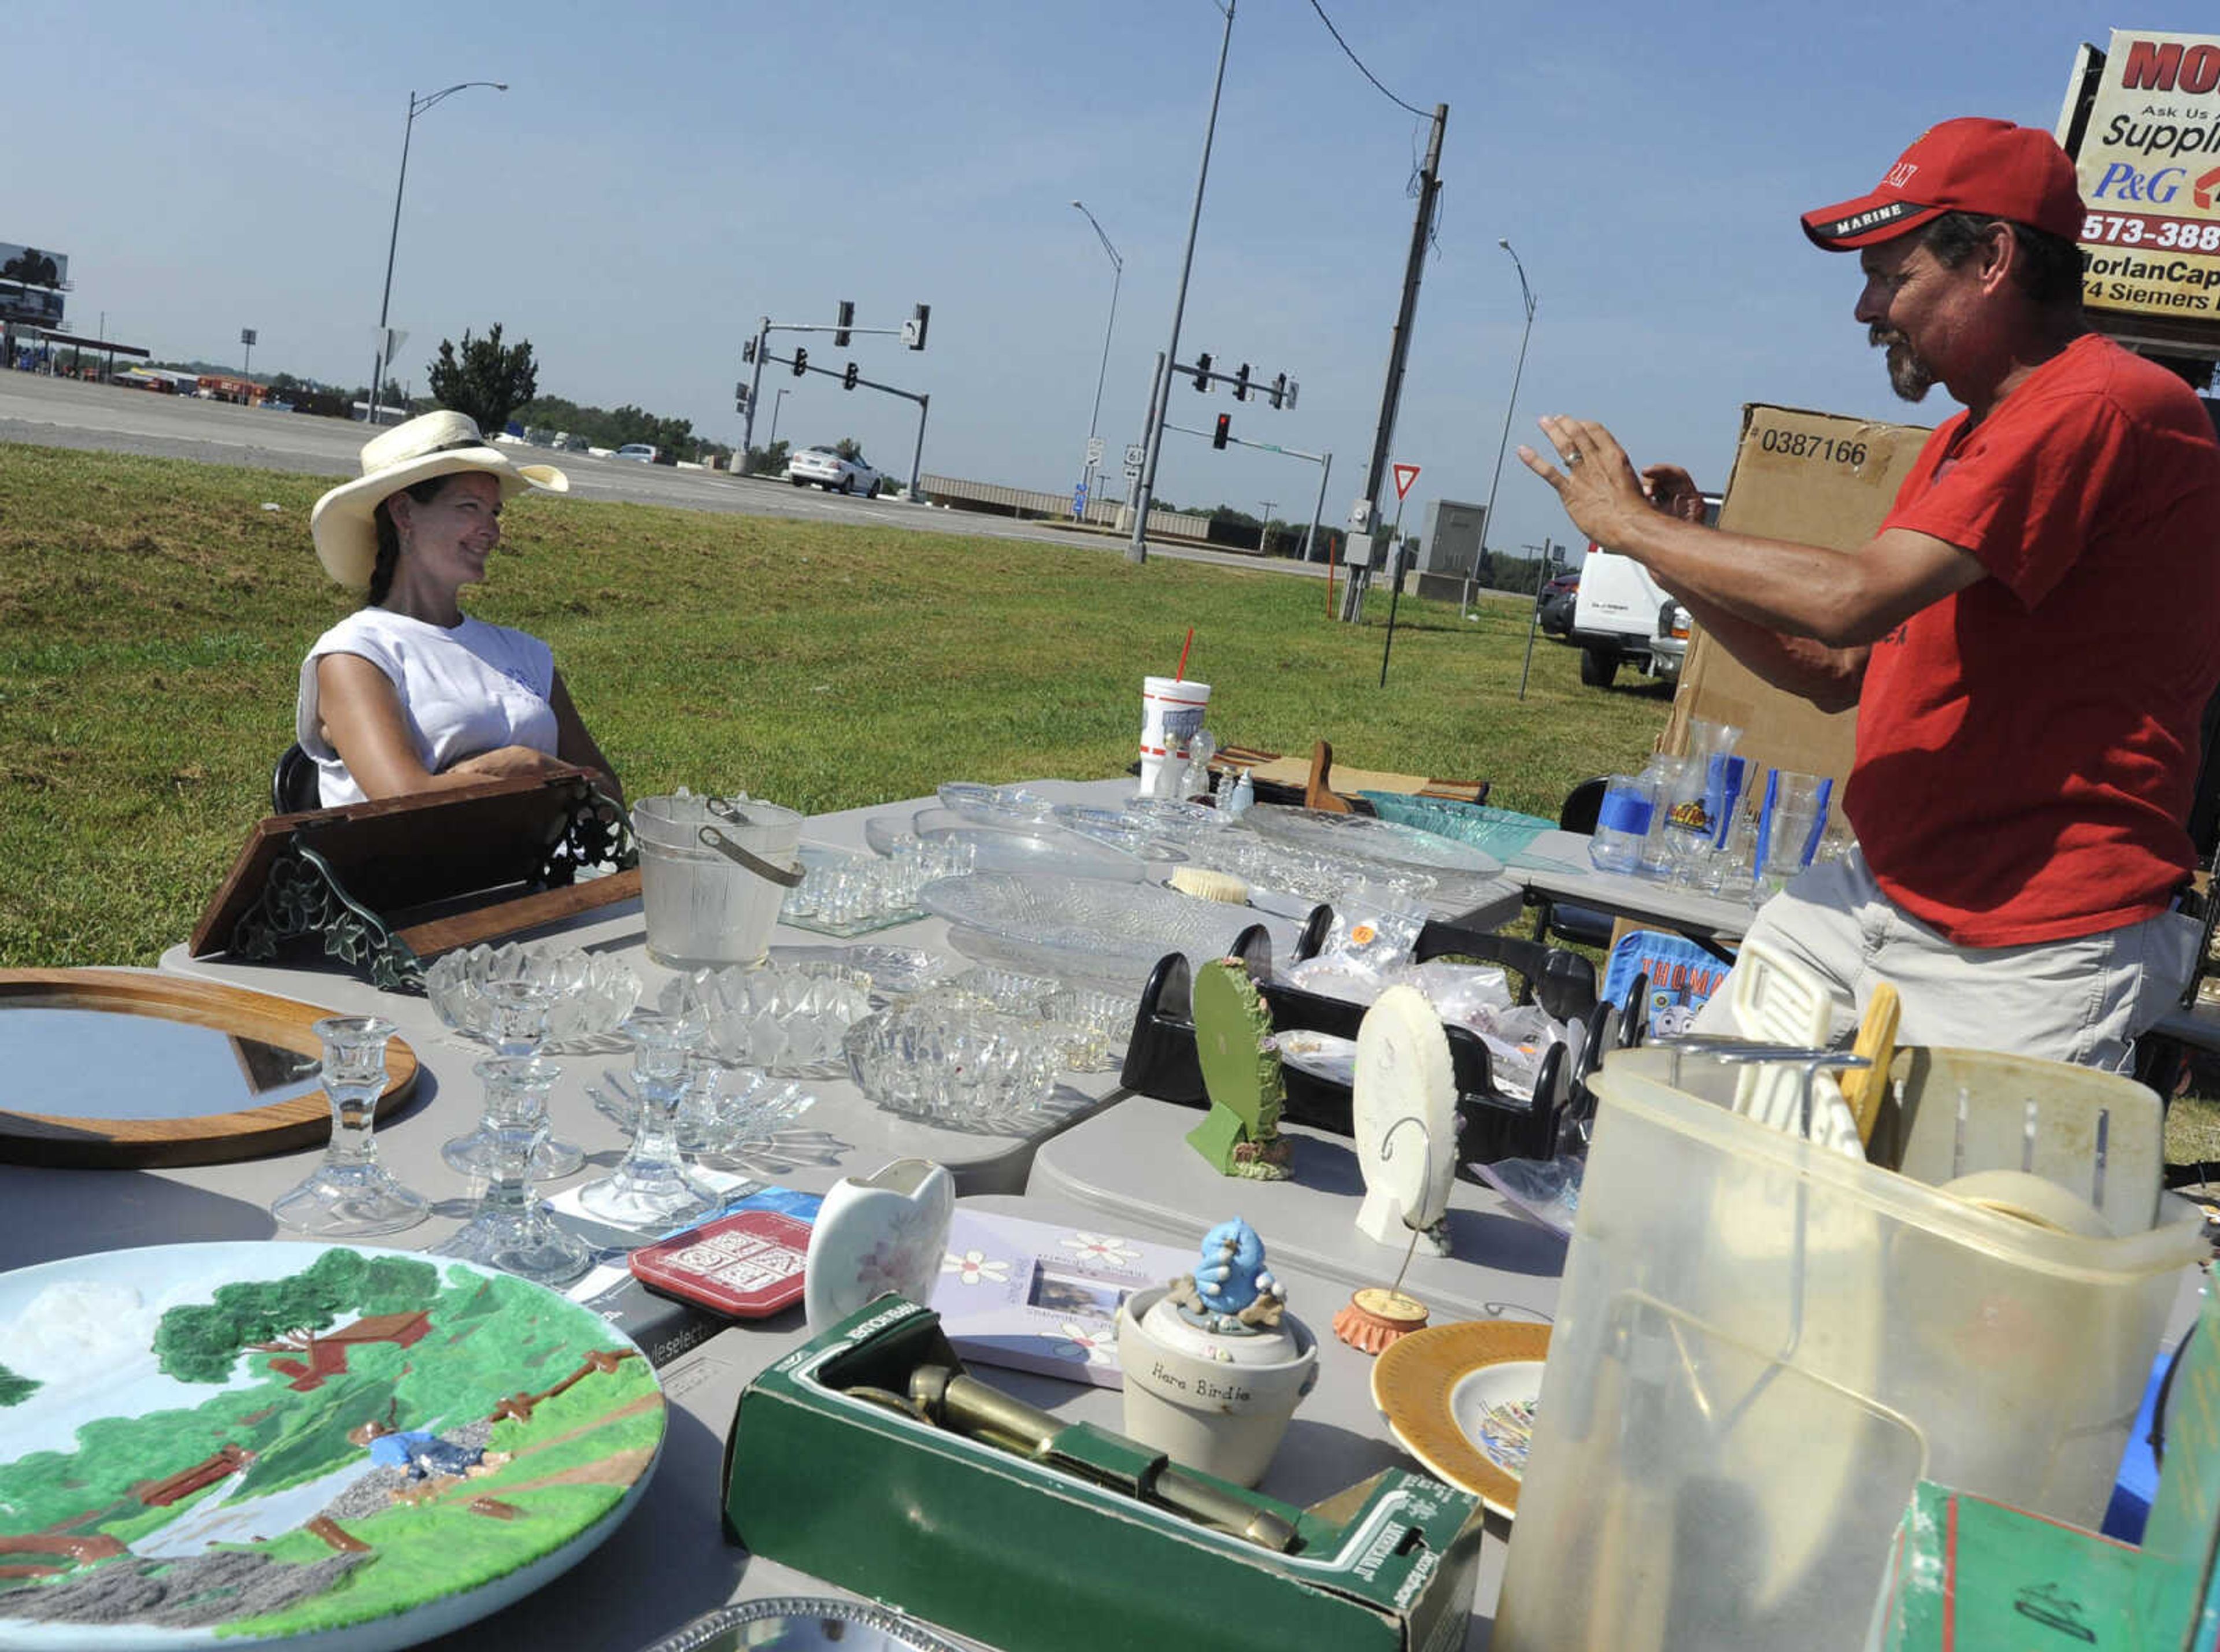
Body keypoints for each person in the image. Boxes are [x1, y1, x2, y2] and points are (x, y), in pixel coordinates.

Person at [1519, 117, 2220, 1072]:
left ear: (1994, 261)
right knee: (1689, 1133)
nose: (1865, 309)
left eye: (1893, 277)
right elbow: (1834, 666)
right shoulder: (1964, 439)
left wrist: (1635, 524)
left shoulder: (2103, 404)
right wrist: (1669, 550)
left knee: (1936, 1221)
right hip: (1879, 892)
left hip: (2030, 941)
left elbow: (1850, 598)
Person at [297, 410, 621, 808]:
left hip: (542, 868)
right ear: (404, 513)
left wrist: (532, 766)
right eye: (470, 507)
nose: (492, 530)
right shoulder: (357, 654)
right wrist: (540, 775)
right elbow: (401, 802)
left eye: (495, 512)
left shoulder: (528, 653)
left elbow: (610, 795)